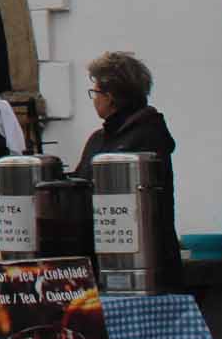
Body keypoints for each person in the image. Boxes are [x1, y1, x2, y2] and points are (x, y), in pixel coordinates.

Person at [72, 51, 184, 290]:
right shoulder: (100, 139)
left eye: (96, 93)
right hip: (103, 258)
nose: (94, 99)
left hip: (145, 264)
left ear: (110, 96)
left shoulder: (146, 135)